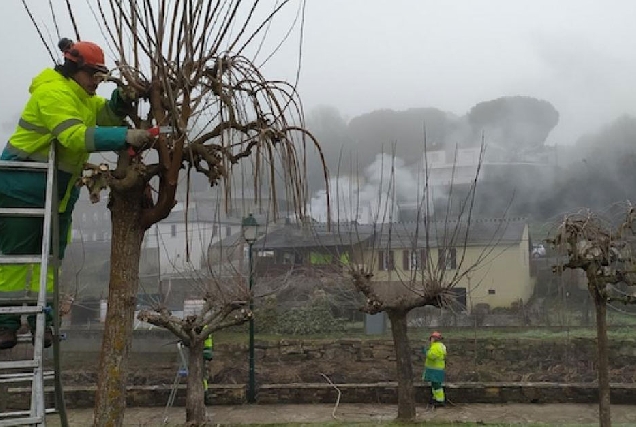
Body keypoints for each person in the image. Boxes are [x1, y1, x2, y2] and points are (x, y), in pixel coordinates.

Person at [0, 38, 154, 350]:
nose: (96, 83)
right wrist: (125, 136)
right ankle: (7, 324)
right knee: (17, 260)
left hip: (58, 189)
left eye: (101, 77)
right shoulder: (52, 93)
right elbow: (73, 136)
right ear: (74, 69)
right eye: (92, 76)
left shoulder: (81, 95)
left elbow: (105, 115)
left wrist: (120, 102)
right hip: (23, 184)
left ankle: (44, 319)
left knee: (52, 260)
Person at [422, 331, 447, 407]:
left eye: (432, 338)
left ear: (434, 339)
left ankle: (439, 400)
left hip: (435, 370)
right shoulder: (440, 346)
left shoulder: (436, 346)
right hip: (437, 369)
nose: (431, 340)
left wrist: (426, 352)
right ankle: (436, 398)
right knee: (435, 385)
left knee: (437, 386)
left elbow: (432, 356)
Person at [203, 331, 213, 405]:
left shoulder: (201, 327)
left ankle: (205, 394)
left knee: (203, 375)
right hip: (206, 350)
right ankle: (205, 392)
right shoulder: (205, 326)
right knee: (203, 376)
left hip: (203, 350)